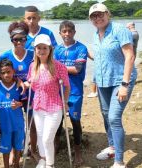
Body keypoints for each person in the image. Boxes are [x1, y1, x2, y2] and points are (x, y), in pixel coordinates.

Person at [89, 3, 137, 168]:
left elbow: (130, 56)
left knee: (114, 117)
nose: (98, 18)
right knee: (105, 113)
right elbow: (99, 57)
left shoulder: (119, 30)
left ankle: (119, 161)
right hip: (103, 81)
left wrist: (124, 85)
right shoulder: (96, 34)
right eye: (94, 16)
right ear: (90, 20)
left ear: (108, 14)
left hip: (120, 79)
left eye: (100, 14)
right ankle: (111, 147)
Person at [25, 34, 70, 168]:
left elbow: (66, 86)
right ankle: (43, 160)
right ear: (35, 50)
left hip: (54, 107)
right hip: (38, 106)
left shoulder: (59, 66)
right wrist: (23, 84)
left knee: (47, 138)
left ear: (50, 49)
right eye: (39, 48)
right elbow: (31, 83)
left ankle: (50, 165)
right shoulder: (33, 66)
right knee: (40, 136)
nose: (41, 51)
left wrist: (65, 102)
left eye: (44, 48)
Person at [0, 21, 36, 163]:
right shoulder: (5, 55)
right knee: (15, 125)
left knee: (32, 124)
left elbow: (40, 71)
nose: (19, 42)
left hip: (31, 94)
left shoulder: (33, 54)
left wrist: (27, 82)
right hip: (14, 96)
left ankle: (33, 150)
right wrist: (17, 80)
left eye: (22, 39)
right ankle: (16, 152)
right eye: (16, 39)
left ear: (26, 39)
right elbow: (1, 74)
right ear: (11, 40)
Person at [54, 20, 88, 167]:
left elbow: (77, 69)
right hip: (57, 91)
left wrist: (58, 68)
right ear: (60, 33)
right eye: (64, 31)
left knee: (75, 121)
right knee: (57, 120)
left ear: (74, 32)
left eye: (70, 31)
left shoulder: (81, 48)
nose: (67, 34)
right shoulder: (56, 50)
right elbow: (49, 69)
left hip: (75, 91)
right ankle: (55, 146)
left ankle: (78, 151)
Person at [0, 59, 27, 168]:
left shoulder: (18, 87)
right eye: (3, 73)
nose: (6, 75)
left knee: (17, 146)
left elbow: (25, 103)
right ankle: (6, 166)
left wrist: (19, 104)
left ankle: (16, 164)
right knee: (5, 147)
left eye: (8, 72)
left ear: (13, 72)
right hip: (4, 125)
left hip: (18, 123)